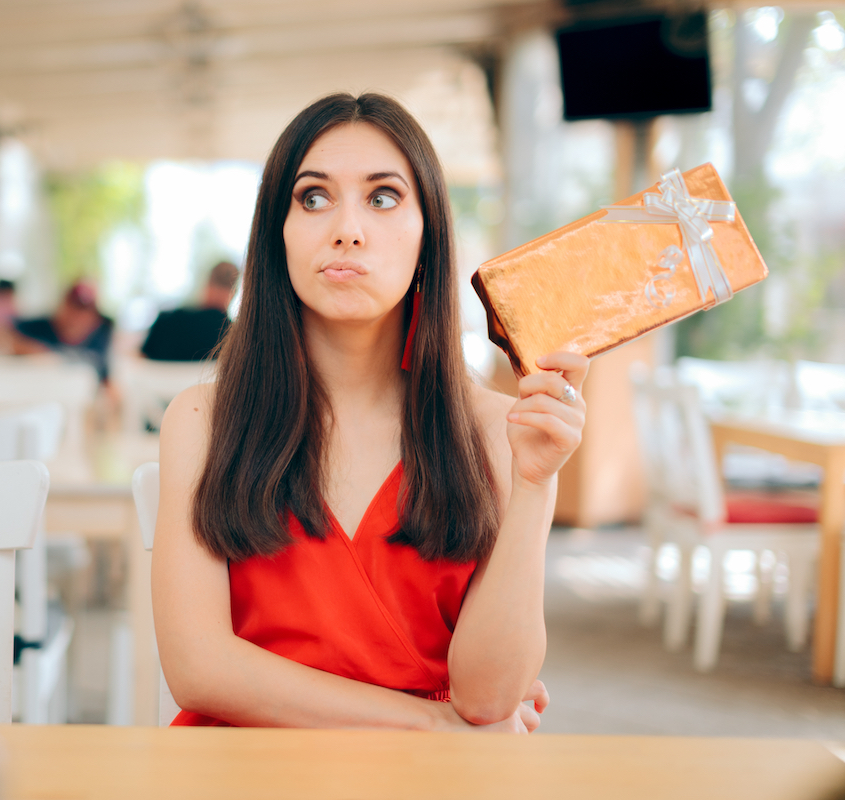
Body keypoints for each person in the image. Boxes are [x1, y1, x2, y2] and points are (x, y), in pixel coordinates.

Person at [151, 93, 589, 731]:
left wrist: (536, 483)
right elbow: (198, 668)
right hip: (242, 769)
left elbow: (490, 698)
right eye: (313, 197)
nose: (347, 228)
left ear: (427, 234)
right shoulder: (202, 418)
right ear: (276, 234)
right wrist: (425, 723)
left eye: (383, 197)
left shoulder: (499, 429)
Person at [13, 281, 114, 381]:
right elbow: (3, 334)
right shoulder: (36, 328)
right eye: (73, 307)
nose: (76, 317)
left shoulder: (103, 335)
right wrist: (32, 350)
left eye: (83, 311)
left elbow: (108, 380)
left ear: (95, 318)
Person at [141, 261, 240, 361]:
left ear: (207, 285)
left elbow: (141, 361)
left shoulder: (165, 323)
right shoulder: (236, 338)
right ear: (233, 292)